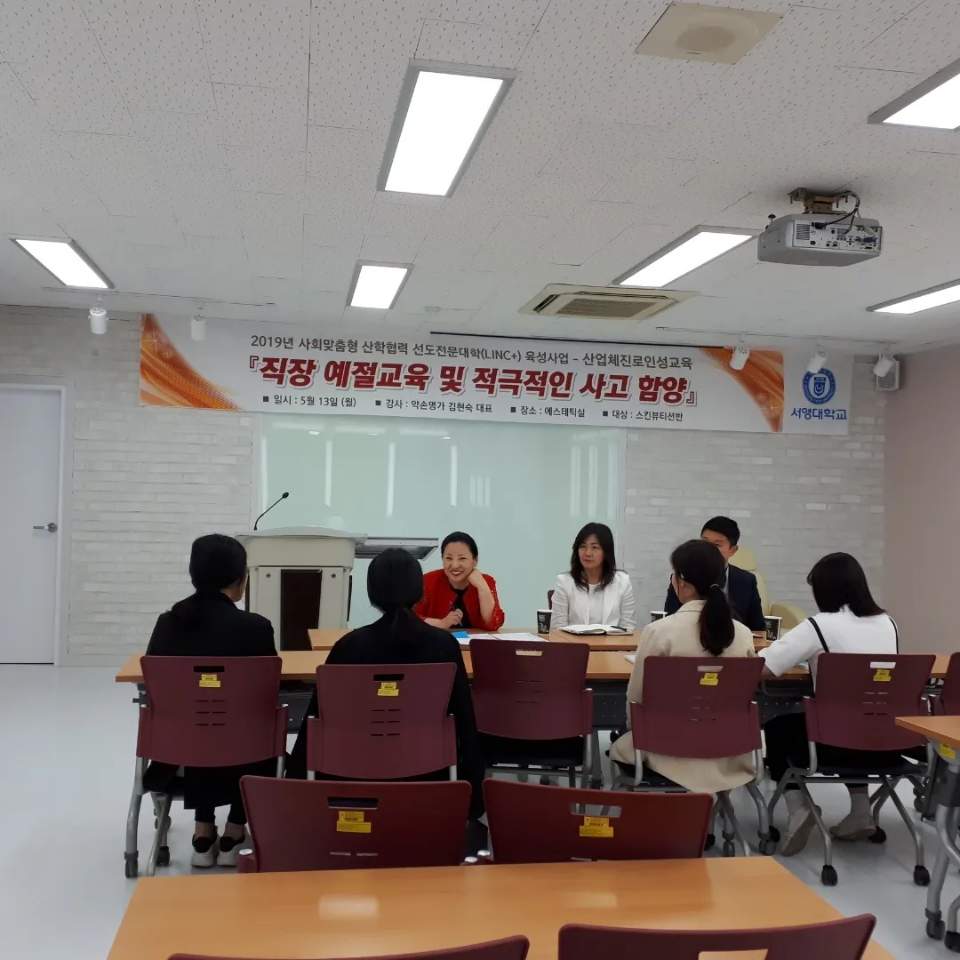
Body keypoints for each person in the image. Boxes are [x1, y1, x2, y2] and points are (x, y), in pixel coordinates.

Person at [288, 548, 485, 821]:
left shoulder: (348, 647)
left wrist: (295, 786)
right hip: (430, 773)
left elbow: (318, 718)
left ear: (372, 592)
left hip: (352, 771)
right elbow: (464, 719)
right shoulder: (443, 646)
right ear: (419, 590)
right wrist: (474, 798)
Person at [146, 533, 276, 868]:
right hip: (247, 752)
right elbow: (267, 695)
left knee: (199, 721)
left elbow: (158, 692)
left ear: (194, 575)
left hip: (179, 752)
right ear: (240, 578)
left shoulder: (168, 624)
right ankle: (235, 830)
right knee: (254, 725)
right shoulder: (256, 628)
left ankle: (202, 832)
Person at [760, 553, 901, 854]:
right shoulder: (888, 623)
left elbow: (765, 667)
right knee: (857, 715)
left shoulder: (820, 624)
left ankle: (799, 808)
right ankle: (861, 812)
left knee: (776, 724)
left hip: (832, 741)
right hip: (885, 740)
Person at [610, 539, 757, 792]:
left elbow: (636, 698)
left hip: (664, 752)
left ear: (682, 583)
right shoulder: (743, 635)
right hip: (725, 754)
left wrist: (634, 732)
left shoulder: (658, 632)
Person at [663, 516, 766, 631]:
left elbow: (758, 628)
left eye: (717, 545)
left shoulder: (746, 580)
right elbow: (670, 619)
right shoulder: (682, 577)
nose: (708, 550)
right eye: (704, 542)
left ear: (733, 550)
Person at [550, 522, 637, 631]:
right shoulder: (564, 582)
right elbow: (558, 628)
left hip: (613, 642)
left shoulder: (623, 582)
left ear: (606, 552)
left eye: (595, 547)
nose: (588, 553)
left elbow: (628, 627)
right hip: (574, 642)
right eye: (583, 546)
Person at [414, 531, 505, 631]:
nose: (455, 565)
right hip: (438, 640)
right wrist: (440, 623)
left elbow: (493, 624)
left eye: (462, 558)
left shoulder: (485, 581)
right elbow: (409, 618)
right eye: (449, 558)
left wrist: (482, 587)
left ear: (475, 560)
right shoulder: (428, 581)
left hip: (474, 641)